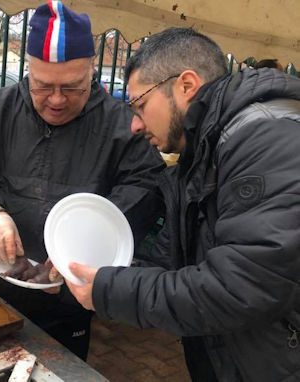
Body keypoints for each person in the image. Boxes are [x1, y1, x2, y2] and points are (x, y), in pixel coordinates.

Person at [66, 27, 300, 380]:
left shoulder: (268, 139)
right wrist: (90, 266)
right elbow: (176, 259)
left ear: (186, 86)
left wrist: (108, 290)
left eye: (140, 105)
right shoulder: (206, 148)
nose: (134, 124)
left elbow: (240, 287)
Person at [0, 1, 165, 360]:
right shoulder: (2, 106)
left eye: (73, 87)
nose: (57, 100)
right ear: (28, 70)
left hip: (69, 299)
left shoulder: (121, 124)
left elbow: (150, 187)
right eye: (43, 87)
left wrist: (88, 237)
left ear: (92, 71)